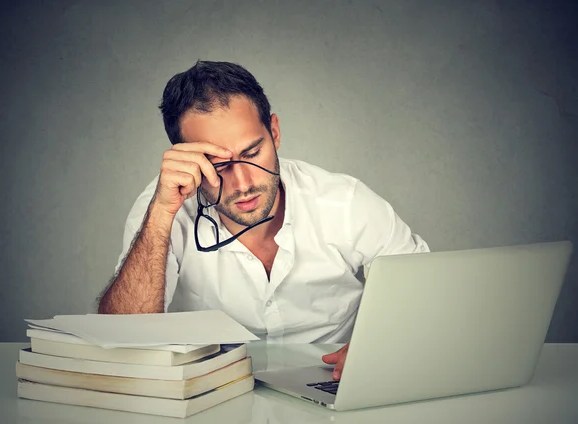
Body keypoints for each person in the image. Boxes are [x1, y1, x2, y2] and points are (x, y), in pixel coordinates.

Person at [97, 60, 429, 380]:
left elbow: (427, 293)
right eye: (218, 164)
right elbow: (124, 338)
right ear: (187, 158)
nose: (243, 184)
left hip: (331, 389)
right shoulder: (162, 207)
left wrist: (382, 345)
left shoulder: (344, 201)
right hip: (209, 394)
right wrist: (161, 217)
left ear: (274, 132)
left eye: (253, 153)